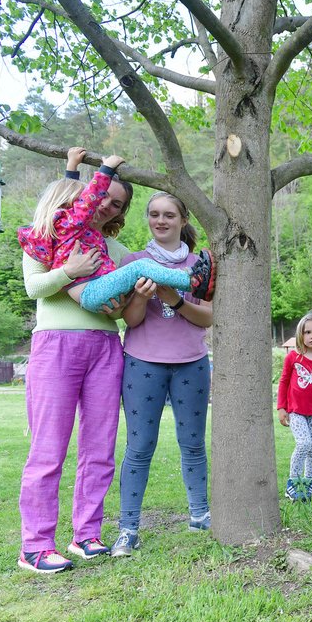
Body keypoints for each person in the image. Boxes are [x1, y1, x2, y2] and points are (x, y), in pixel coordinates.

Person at [17, 156, 134, 573]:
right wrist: (69, 270)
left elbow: (120, 311)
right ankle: (35, 546)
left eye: (117, 204)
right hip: (55, 347)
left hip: (105, 347)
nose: (107, 205)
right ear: (89, 195)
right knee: (48, 451)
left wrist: (125, 299)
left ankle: (86, 534)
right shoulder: (45, 236)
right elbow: (35, 288)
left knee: (100, 448)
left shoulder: (116, 250)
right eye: (103, 196)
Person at [110, 192, 215, 557]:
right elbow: (131, 320)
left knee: (193, 444)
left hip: (192, 362)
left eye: (169, 214)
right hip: (143, 363)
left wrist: (175, 299)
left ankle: (200, 515)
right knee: (139, 447)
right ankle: (128, 529)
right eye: (154, 214)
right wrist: (140, 297)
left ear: (183, 220)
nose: (161, 220)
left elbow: (209, 317)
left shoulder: (200, 264)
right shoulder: (133, 262)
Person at [17, 148, 216, 311]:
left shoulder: (65, 229)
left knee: (138, 269)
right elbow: (84, 200)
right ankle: (191, 280)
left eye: (116, 203)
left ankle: (191, 278)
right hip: (90, 292)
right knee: (141, 266)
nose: (101, 204)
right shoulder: (67, 225)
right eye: (101, 196)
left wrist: (72, 167)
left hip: (95, 295)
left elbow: (68, 194)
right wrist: (106, 169)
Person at [276, 311, 312, 503]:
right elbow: (284, 382)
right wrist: (281, 408)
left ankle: (308, 484)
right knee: (303, 444)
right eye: (308, 332)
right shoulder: (293, 357)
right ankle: (292, 483)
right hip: (296, 412)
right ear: (300, 334)